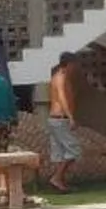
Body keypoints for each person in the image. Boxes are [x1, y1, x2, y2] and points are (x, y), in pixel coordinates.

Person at [43, 51, 85, 191]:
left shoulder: (61, 77)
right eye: (74, 65)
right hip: (60, 119)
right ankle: (56, 177)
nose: (75, 68)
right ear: (68, 64)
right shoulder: (60, 77)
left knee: (61, 153)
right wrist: (71, 117)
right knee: (73, 150)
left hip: (57, 119)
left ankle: (59, 181)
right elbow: (62, 98)